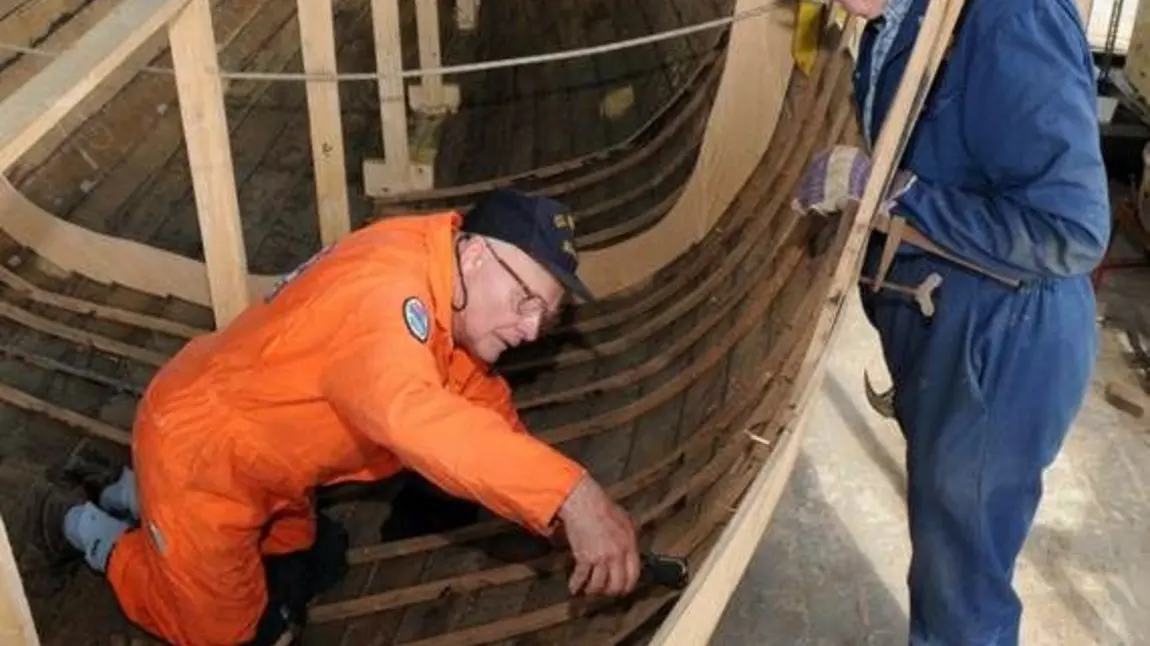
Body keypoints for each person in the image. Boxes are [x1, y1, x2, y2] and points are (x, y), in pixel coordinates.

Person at [31, 188, 642, 645]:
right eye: (525, 301)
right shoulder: (385, 298)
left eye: (547, 316)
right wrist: (572, 496)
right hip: (200, 454)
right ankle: (80, 524)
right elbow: (415, 413)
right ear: (478, 256)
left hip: (270, 462)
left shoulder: (438, 269)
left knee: (304, 566)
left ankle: (130, 491)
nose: (532, 328)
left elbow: (477, 404)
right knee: (226, 633)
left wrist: (553, 516)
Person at [793, 0, 1110, 644]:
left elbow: (1071, 230)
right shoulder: (894, 19)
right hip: (944, 320)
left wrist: (893, 192)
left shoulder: (1010, 18)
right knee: (946, 556)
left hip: (1003, 340)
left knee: (962, 589)